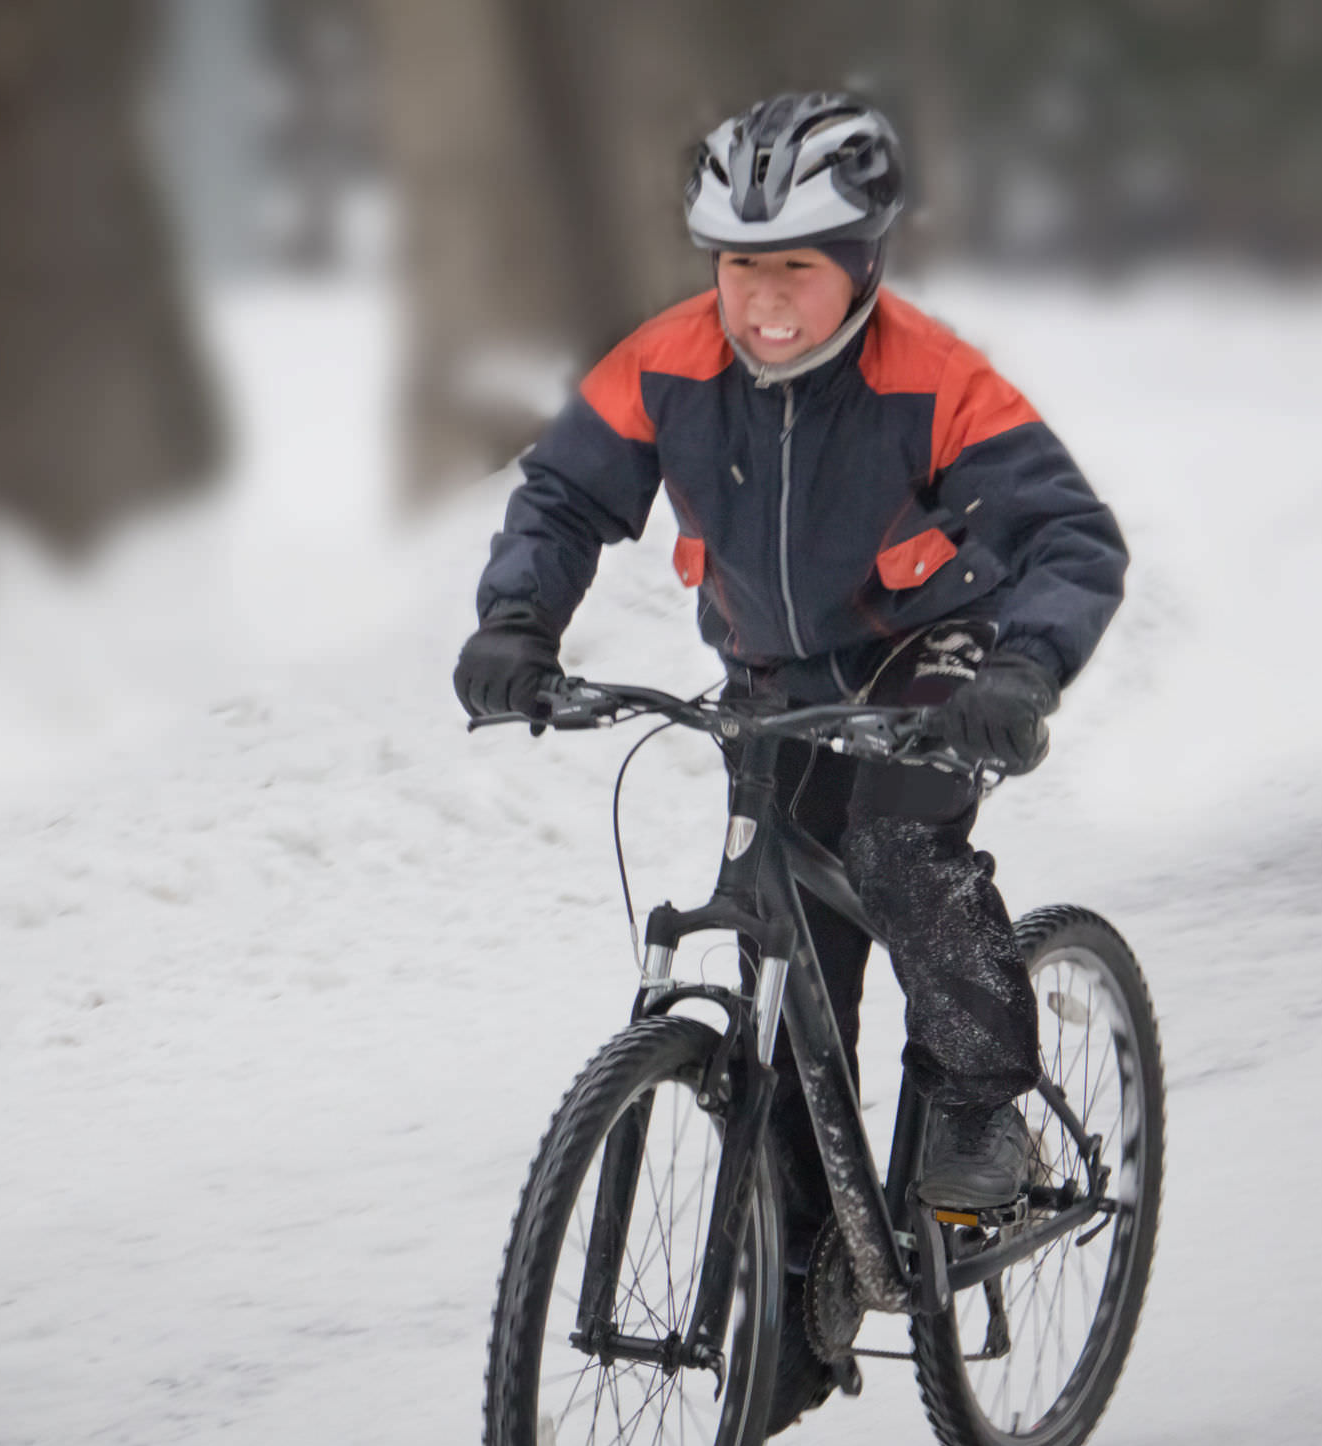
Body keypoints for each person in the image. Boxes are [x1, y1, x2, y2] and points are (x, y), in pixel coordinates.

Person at [453, 92, 1128, 1215]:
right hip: (772, 675)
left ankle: (975, 1100)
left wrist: (1021, 671)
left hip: (929, 653)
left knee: (899, 850)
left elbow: (1068, 535)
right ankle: (800, 1276)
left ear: (863, 266)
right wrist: (515, 623)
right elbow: (564, 496)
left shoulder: (930, 376)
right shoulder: (664, 365)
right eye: (737, 266)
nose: (762, 300)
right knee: (785, 933)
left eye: (797, 269)